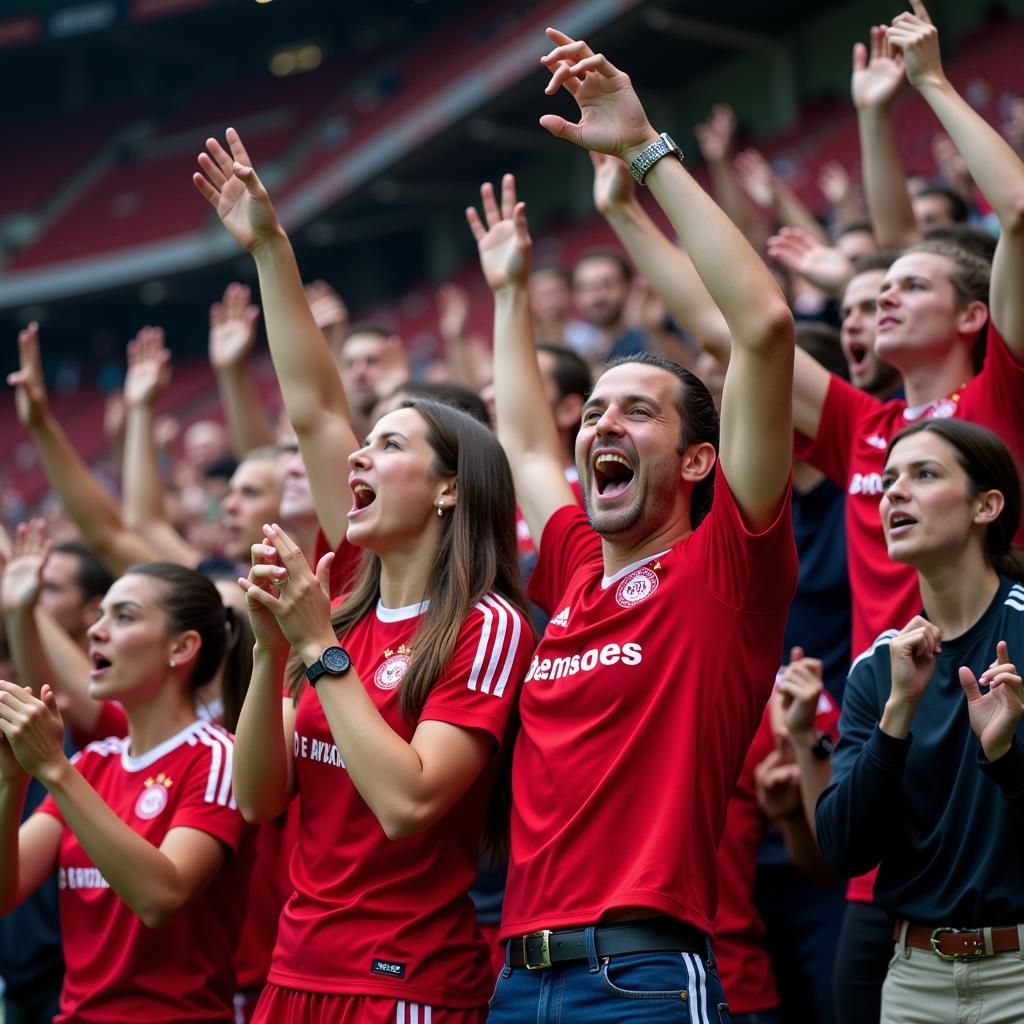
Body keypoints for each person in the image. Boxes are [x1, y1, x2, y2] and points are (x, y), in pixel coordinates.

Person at [469, 28, 796, 1021]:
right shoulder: (571, 564)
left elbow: (763, 329)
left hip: (641, 976)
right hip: (517, 979)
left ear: (700, 460)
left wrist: (647, 150)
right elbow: (526, 442)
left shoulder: (725, 569)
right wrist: (511, 293)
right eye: (597, 410)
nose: (604, 423)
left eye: (639, 410)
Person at [193, 126, 535, 1024]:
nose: (355, 459)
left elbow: (410, 803)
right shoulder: (340, 594)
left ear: (452, 486)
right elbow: (263, 800)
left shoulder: (485, 625)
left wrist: (315, 647)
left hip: (403, 984)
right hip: (292, 972)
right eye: (362, 445)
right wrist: (273, 657)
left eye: (388, 446)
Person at [816, 419, 1024, 1024]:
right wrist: (896, 715)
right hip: (912, 980)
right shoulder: (876, 671)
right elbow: (842, 848)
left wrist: (1005, 753)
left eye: (923, 475)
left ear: (987, 505)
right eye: (886, 481)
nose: (892, 494)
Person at [0, 562, 254, 1023]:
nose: (96, 630)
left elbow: (161, 898)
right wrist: (13, 779)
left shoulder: (217, 757)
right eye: (100, 616)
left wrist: (54, 768)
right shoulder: (92, 764)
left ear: (182, 647)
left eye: (125, 616)